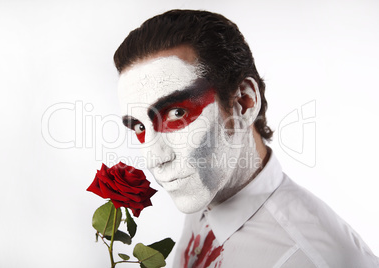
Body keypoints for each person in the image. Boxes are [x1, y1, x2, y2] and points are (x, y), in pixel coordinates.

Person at [114, 9, 379, 268]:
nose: (155, 159)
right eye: (138, 126)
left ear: (244, 102)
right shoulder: (207, 186)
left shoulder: (313, 258)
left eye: (177, 112)